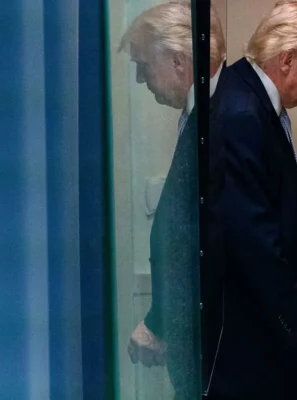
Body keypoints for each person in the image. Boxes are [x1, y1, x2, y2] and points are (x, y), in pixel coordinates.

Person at [204, 1, 297, 399]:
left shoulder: (246, 100)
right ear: (287, 59)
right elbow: (251, 237)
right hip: (250, 345)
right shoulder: (241, 113)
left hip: (257, 338)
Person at [118, 1, 226, 398]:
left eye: (144, 65)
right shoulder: (204, 116)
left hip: (219, 361)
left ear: (179, 61)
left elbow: (208, 245)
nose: (140, 79)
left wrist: (159, 321)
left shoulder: (224, 119)